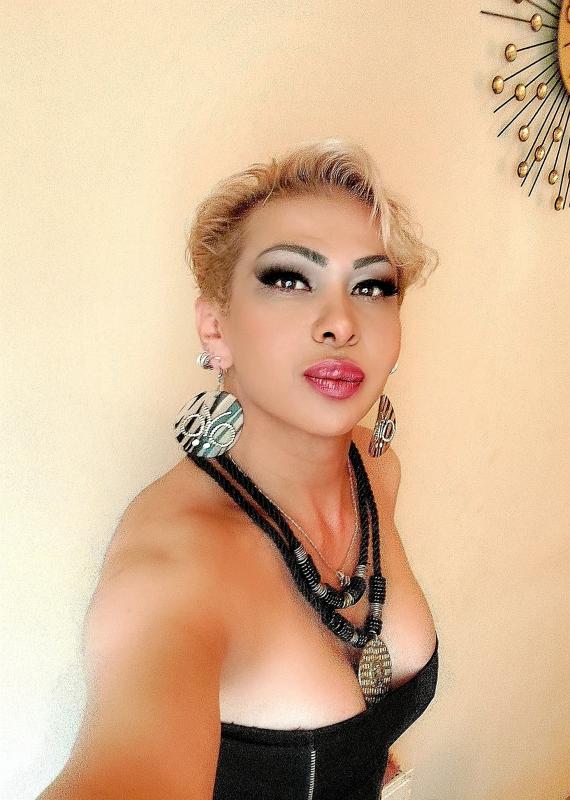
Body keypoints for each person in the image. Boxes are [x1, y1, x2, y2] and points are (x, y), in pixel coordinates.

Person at [37, 137, 440, 800]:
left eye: (371, 286)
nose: (341, 322)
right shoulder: (176, 566)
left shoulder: (376, 467)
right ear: (216, 329)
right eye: (289, 279)